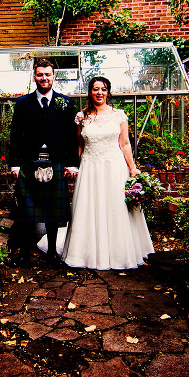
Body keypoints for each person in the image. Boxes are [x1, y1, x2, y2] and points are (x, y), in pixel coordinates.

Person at [61, 75, 154, 270]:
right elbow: (79, 145)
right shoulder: (81, 117)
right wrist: (73, 166)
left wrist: (133, 168)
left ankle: (118, 253)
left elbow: (125, 143)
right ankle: (86, 254)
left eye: (103, 89)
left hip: (114, 167)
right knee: (89, 208)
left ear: (108, 92)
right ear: (90, 92)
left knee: (115, 209)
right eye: (95, 89)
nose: (99, 93)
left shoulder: (118, 115)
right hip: (90, 168)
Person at [8, 58, 79, 266]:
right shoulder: (22, 103)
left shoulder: (66, 103)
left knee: (52, 212)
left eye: (48, 74)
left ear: (54, 76)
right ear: (34, 76)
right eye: (40, 74)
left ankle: (52, 254)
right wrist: (15, 164)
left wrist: (72, 163)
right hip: (29, 161)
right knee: (27, 212)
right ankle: (24, 255)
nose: (44, 78)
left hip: (56, 161)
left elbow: (71, 137)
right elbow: (15, 136)